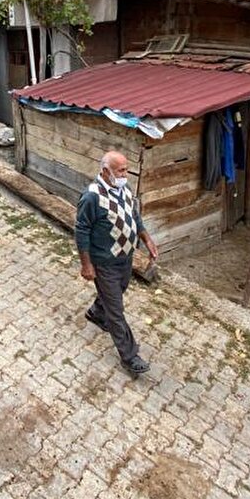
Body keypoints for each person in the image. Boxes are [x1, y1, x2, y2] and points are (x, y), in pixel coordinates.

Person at [76, 150, 158, 375]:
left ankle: (96, 312)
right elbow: (81, 231)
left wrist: (147, 240)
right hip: (104, 262)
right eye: (120, 171)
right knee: (116, 311)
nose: (125, 174)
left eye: (126, 169)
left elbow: (135, 217)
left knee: (116, 291)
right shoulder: (92, 197)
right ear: (105, 171)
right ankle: (130, 356)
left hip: (125, 258)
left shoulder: (125, 189)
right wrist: (86, 265)